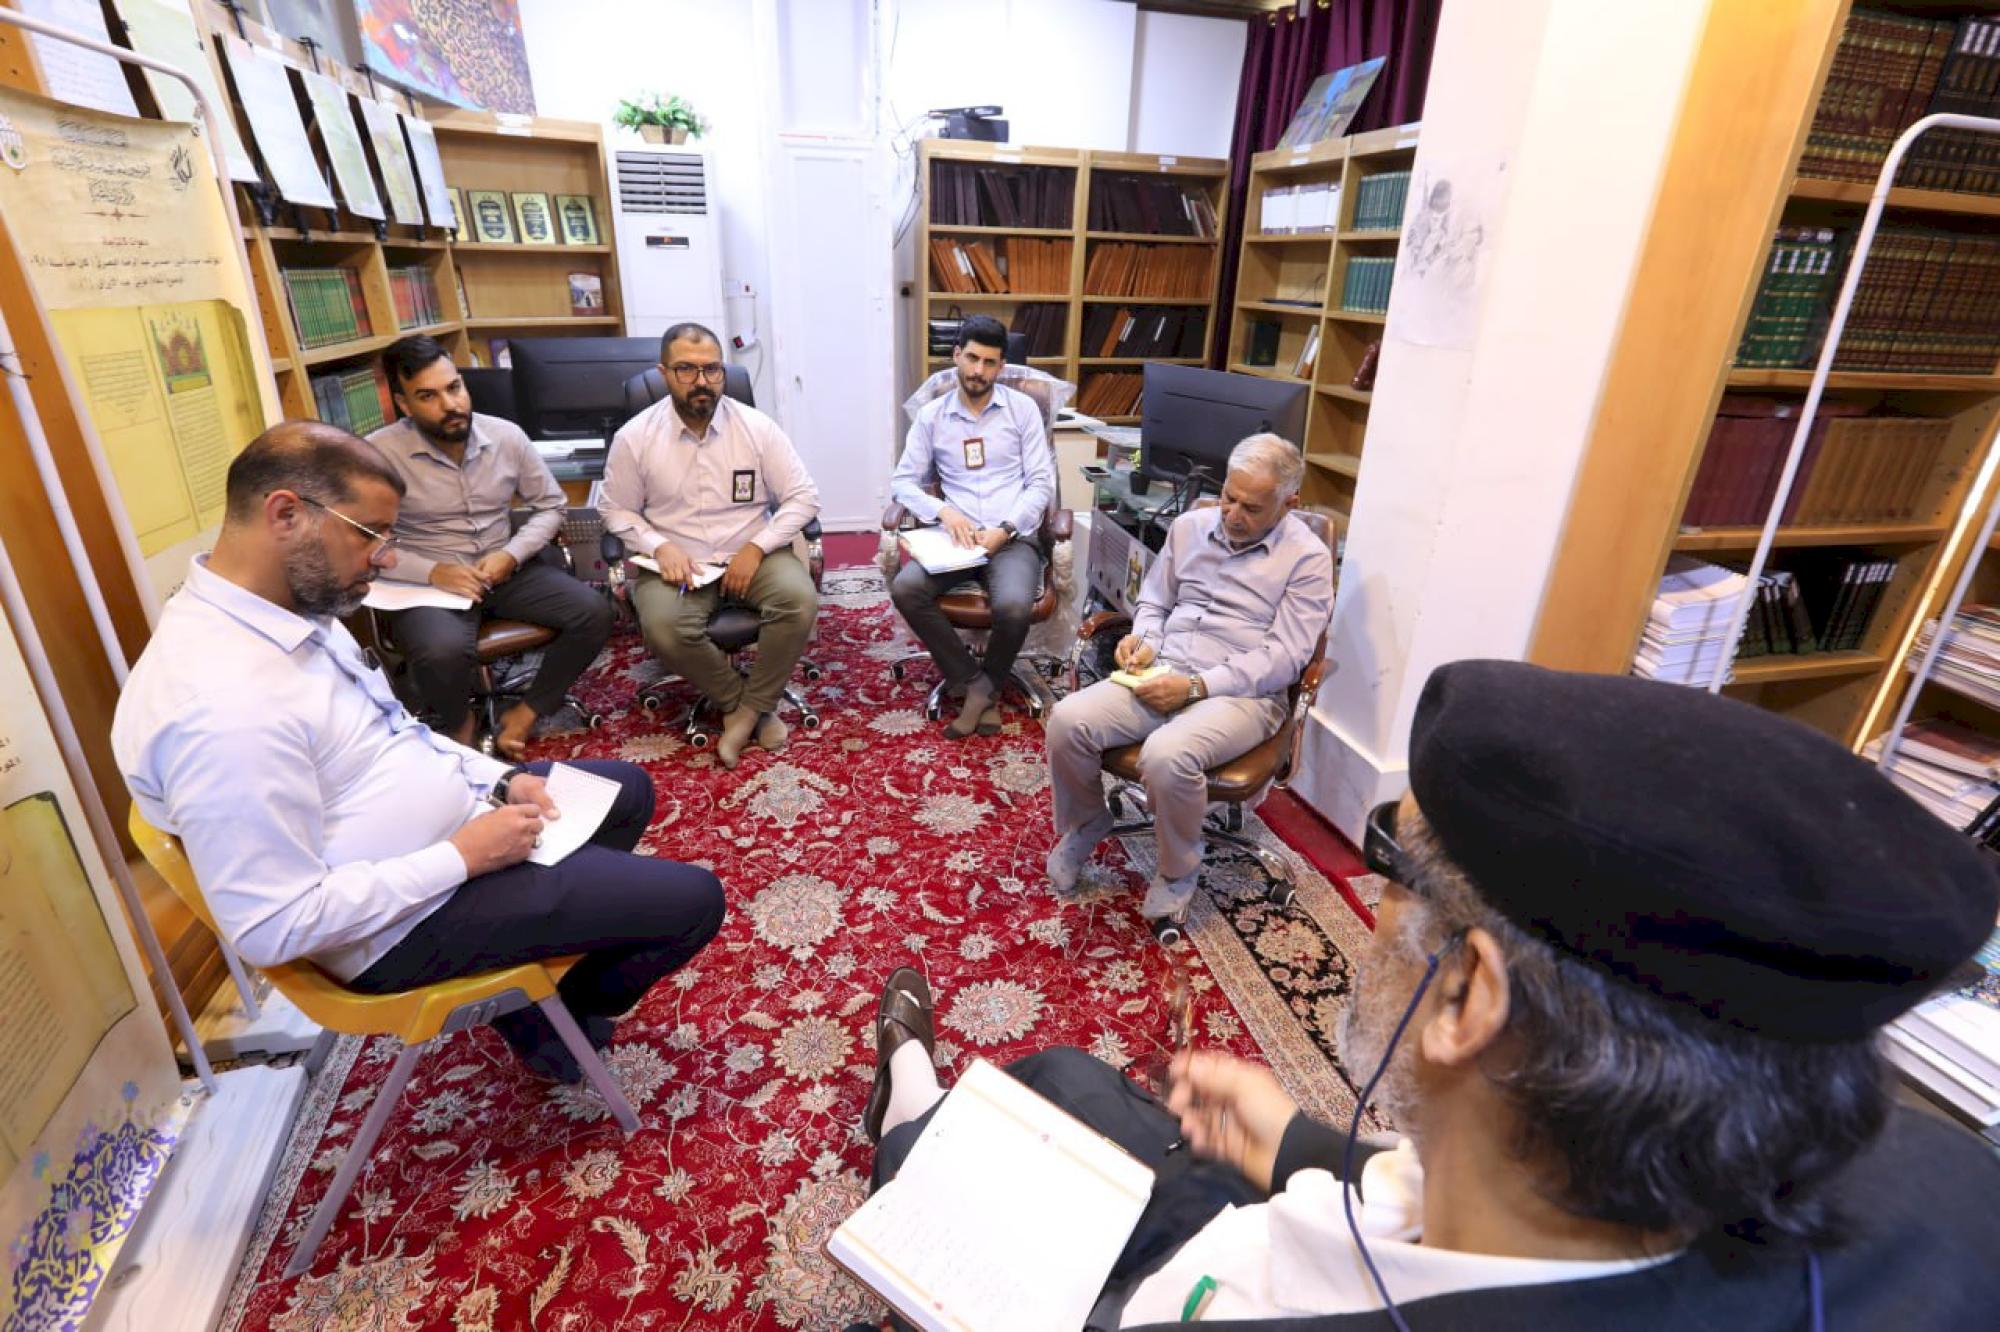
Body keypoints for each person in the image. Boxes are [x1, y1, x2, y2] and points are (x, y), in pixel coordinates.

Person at [862, 660, 2000, 1330]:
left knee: (942, 1177)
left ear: (1463, 1001)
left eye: (1392, 875)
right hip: (1357, 1206)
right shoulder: (1949, 1193)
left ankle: (904, 1098)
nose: (1372, 909)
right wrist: (1304, 1146)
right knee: (1064, 1081)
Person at [113, 422, 725, 1083]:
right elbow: (276, 923)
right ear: (286, 515)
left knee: (628, 793)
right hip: (403, 922)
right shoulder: (219, 709)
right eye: (370, 534)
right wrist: (463, 857)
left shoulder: (287, 614)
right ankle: (548, 1009)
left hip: (453, 836)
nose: (385, 558)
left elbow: (397, 732)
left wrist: (497, 781)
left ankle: (537, 998)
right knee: (693, 902)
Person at [1044, 434, 1333, 924]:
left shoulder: (1308, 559)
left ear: (1289, 503)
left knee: (1167, 754)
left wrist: (1199, 687)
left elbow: (1286, 657)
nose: (1233, 515)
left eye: (1252, 508)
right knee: (1067, 721)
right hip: (1167, 667)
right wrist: (1144, 640)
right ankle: (1088, 821)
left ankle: (1177, 870)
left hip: (1244, 693)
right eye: (1229, 498)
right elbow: (1154, 601)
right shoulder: (1189, 527)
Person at [365, 334, 613, 759]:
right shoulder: (378, 454)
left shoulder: (505, 436)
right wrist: (432, 572)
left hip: (504, 569)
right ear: (403, 404)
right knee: (440, 651)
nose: (450, 405)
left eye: (454, 387)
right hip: (432, 583)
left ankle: (527, 712)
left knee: (594, 612)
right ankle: (460, 724)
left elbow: (551, 506)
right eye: (428, 396)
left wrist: (511, 555)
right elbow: (367, 541)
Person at [599, 322, 821, 769]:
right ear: (664, 373)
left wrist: (757, 548)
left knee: (798, 602)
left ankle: (747, 711)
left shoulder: (756, 427)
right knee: (663, 627)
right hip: (679, 561)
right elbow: (614, 509)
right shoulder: (635, 437)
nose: (701, 381)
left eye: (712, 369)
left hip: (750, 551)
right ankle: (746, 705)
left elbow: (803, 497)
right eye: (686, 369)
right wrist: (658, 546)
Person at [889, 314, 1057, 737]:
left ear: (1002, 366)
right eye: (972, 358)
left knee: (1014, 606)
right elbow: (903, 482)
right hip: (957, 538)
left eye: (989, 362)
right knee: (907, 589)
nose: (979, 371)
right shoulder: (932, 416)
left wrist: (1007, 528)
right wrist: (943, 512)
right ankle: (975, 684)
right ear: (956, 356)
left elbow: (1041, 483)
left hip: (1011, 536)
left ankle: (984, 687)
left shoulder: (1022, 410)